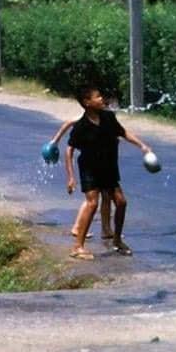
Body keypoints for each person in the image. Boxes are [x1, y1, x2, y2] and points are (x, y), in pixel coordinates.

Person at [65, 85, 151, 260]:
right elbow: (69, 150)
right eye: (97, 97)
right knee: (92, 204)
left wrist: (142, 145)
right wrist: (71, 177)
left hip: (108, 168)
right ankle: (78, 247)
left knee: (121, 202)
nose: (101, 99)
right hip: (89, 168)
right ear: (87, 102)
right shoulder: (82, 126)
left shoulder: (108, 117)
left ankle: (117, 240)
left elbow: (123, 132)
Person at [50, 117, 114, 241]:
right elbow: (69, 123)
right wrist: (55, 141)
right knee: (92, 199)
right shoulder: (88, 116)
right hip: (90, 161)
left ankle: (106, 229)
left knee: (106, 195)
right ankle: (77, 227)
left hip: (102, 160)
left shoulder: (104, 117)